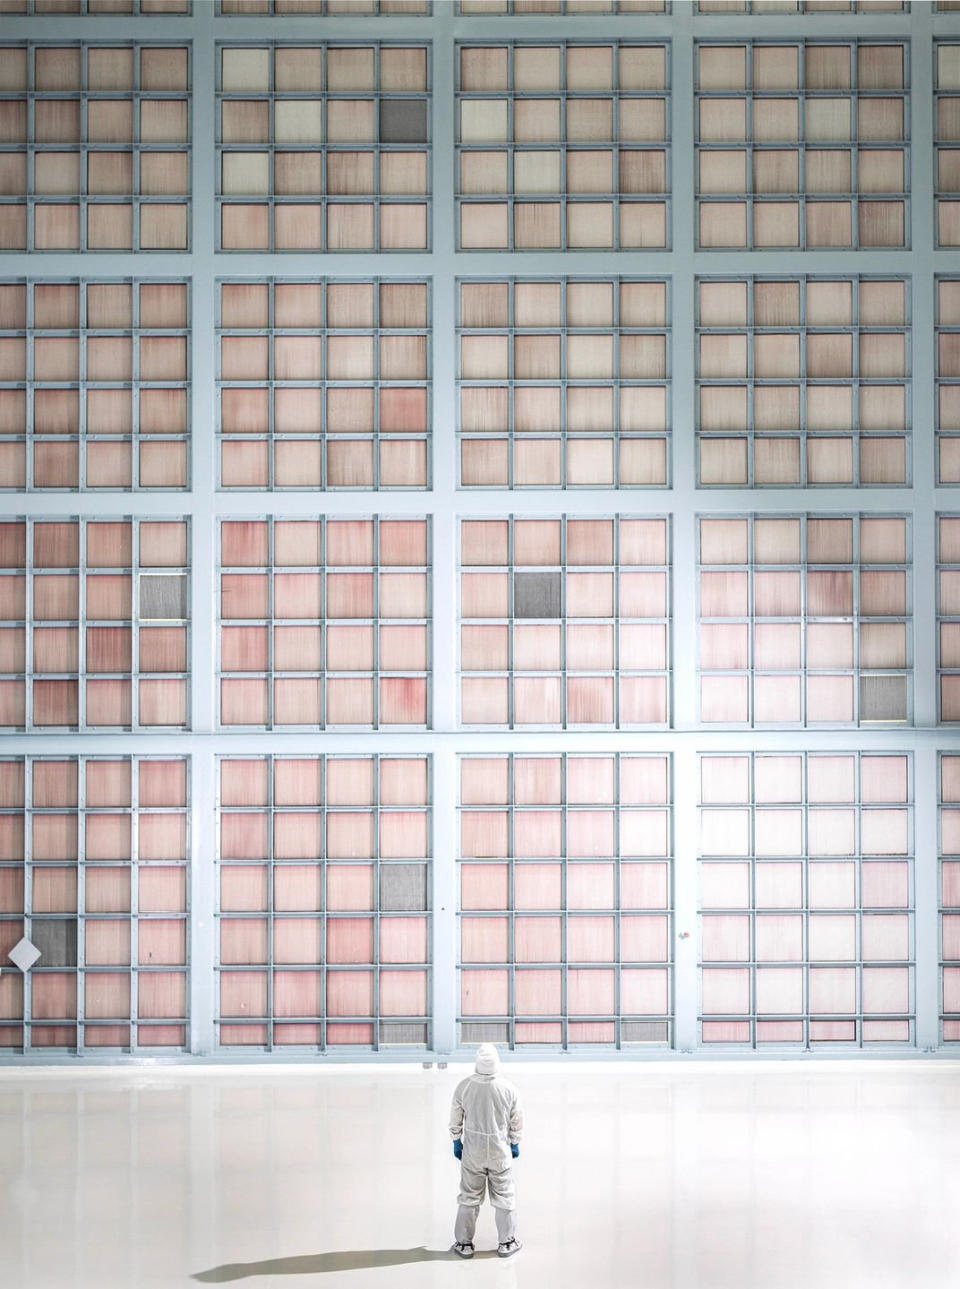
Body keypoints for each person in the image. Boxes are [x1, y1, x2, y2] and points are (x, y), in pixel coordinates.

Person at [448, 1043, 523, 1259]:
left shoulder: (464, 1087)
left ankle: (464, 1244)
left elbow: (455, 1117)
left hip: (473, 1150)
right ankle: (507, 1242)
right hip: (500, 1150)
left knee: (469, 1196)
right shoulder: (508, 1088)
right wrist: (515, 1142)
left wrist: (456, 1140)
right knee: (505, 1196)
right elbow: (516, 1119)